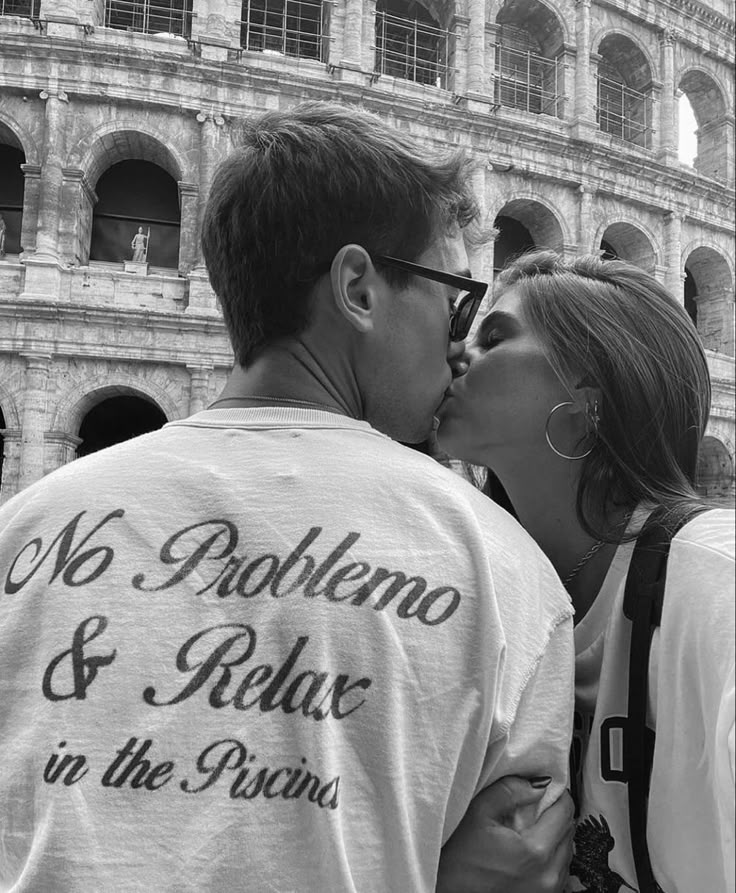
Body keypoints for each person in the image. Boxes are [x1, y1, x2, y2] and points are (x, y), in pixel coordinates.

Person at [0, 104, 575, 892]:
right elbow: (527, 855)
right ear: (359, 289)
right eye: (455, 299)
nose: (458, 339)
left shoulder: (22, 534)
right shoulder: (500, 568)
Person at [436, 249, 735, 893]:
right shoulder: (484, 586)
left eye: (494, 336)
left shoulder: (715, 577)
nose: (457, 352)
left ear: (585, 402)